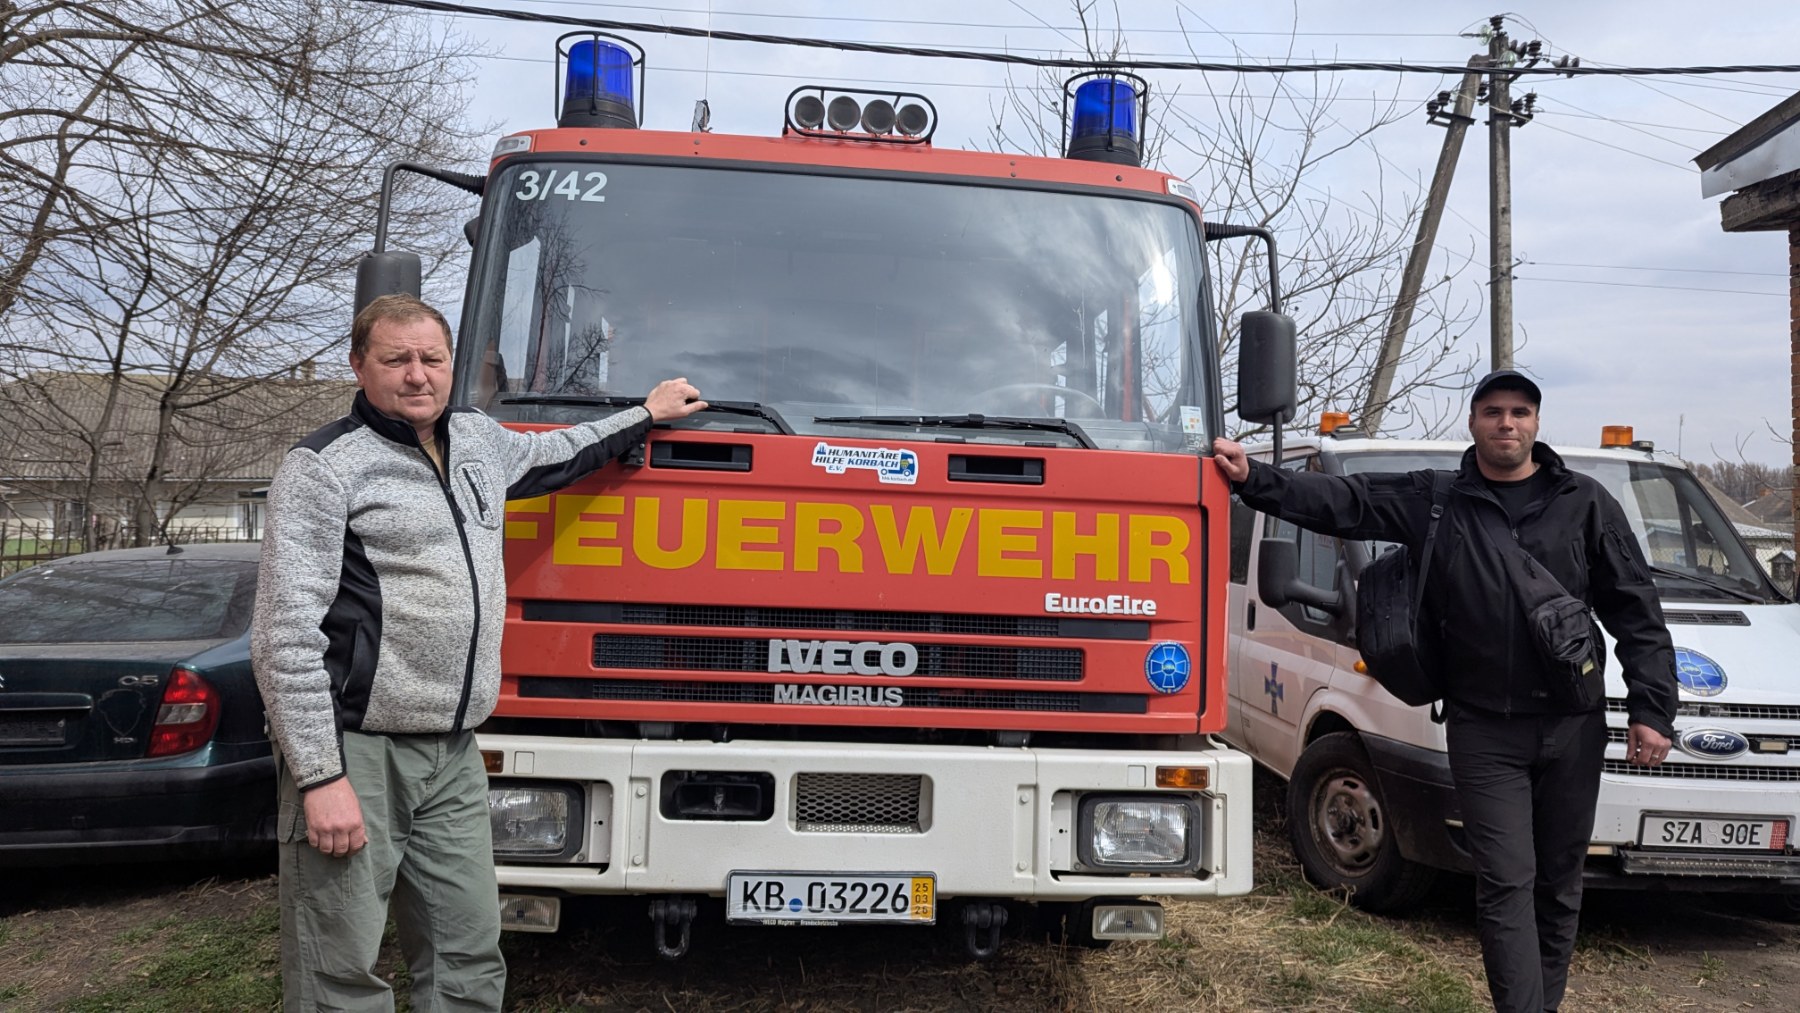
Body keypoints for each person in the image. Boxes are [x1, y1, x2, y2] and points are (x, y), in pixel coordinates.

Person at [251, 293, 704, 1011]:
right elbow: (283, 636)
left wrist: (644, 415)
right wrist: (319, 775)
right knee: (340, 965)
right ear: (358, 364)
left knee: (467, 952)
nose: (416, 374)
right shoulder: (325, 468)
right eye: (395, 358)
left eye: (431, 358)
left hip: (454, 754)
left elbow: (562, 451)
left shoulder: (477, 440)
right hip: (359, 752)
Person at [1213, 369, 1677, 1013]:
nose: (1506, 424)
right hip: (1483, 727)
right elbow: (1345, 502)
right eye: (1493, 412)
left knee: (1558, 881)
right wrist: (1251, 479)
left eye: (1519, 412)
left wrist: (1653, 710)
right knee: (1506, 878)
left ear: (1537, 424)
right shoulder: (1436, 501)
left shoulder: (1587, 503)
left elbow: (1637, 611)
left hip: (1573, 724)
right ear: (1473, 421)